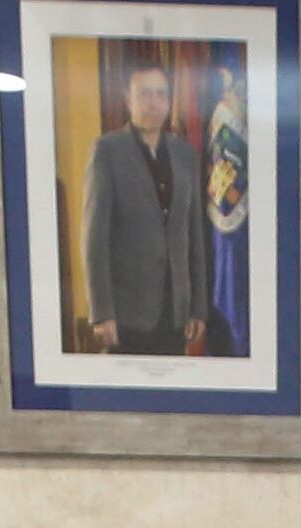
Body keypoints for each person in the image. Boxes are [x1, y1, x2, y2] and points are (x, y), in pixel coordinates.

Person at [78, 59, 207, 355]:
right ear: (128, 100)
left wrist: (198, 306)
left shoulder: (185, 155)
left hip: (175, 311)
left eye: (161, 94)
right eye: (145, 94)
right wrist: (101, 312)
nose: (154, 102)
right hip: (126, 315)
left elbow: (195, 235)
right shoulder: (107, 151)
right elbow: (93, 238)